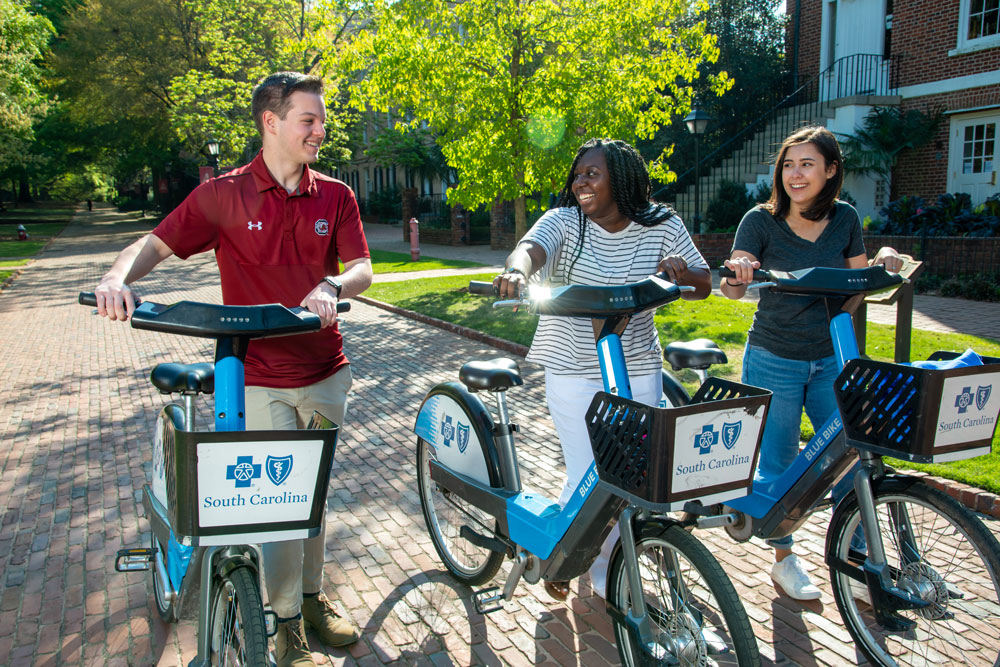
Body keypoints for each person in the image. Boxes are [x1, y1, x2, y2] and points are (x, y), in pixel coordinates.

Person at [93, 71, 371, 666]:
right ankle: (287, 620)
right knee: (276, 508)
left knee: (313, 499)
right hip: (260, 377)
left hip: (325, 373)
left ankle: (315, 598)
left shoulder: (335, 195)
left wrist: (332, 283)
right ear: (271, 123)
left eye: (321, 120)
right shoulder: (223, 194)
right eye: (309, 120)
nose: (321, 130)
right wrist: (117, 278)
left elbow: (363, 268)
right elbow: (156, 243)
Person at [496, 138, 712, 601]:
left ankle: (569, 549)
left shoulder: (661, 224)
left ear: (622, 178)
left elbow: (703, 283)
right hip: (572, 366)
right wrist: (516, 272)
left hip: (636, 363)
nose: (580, 182)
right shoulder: (564, 221)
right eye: (577, 174)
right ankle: (599, 574)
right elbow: (530, 249)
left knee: (624, 473)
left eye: (591, 173)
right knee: (592, 471)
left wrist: (680, 273)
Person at [722, 125, 901, 601]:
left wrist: (880, 262)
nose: (795, 174)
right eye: (788, 164)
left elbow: (857, 280)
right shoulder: (760, 221)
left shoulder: (844, 218)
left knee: (850, 458)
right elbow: (733, 287)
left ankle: (859, 562)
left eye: (806, 164)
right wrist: (739, 268)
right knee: (780, 464)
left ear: (830, 170)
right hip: (773, 356)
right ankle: (785, 560)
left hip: (830, 360)